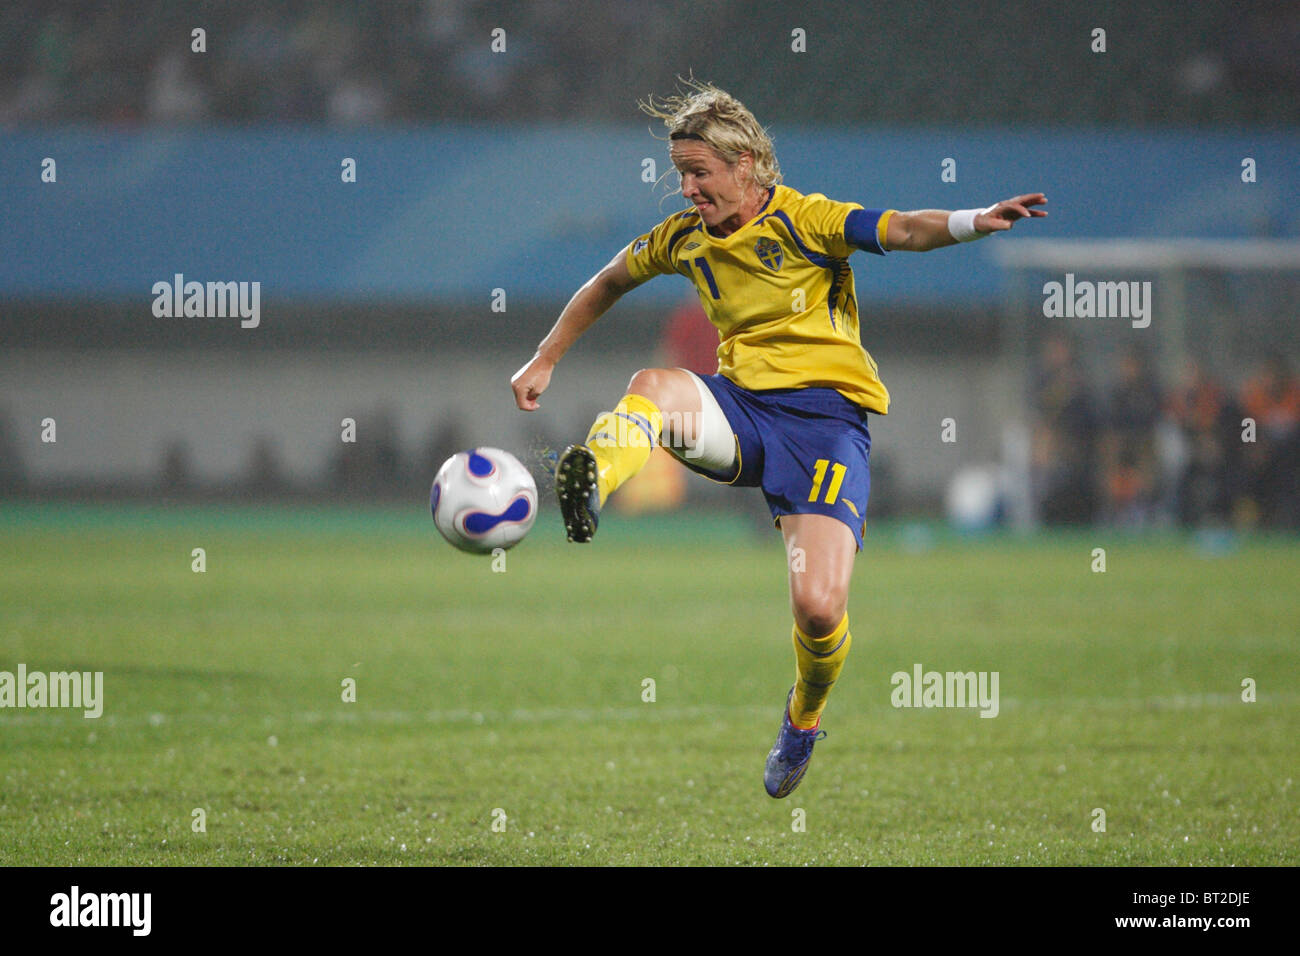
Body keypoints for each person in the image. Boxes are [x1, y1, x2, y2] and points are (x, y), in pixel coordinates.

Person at [510, 81, 1046, 798]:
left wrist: (975, 220)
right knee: (656, 385)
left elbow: (906, 229)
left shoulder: (805, 219)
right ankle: (593, 488)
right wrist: (545, 357)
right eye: (681, 174)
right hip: (741, 414)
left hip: (825, 429)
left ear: (748, 164)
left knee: (819, 608)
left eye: (700, 172)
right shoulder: (683, 239)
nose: (688, 188)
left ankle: (804, 717)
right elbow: (607, 281)